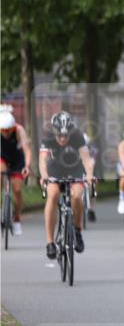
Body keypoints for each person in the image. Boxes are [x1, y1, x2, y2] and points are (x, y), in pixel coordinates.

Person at [38, 111, 95, 258]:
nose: (62, 138)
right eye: (59, 135)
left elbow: (86, 159)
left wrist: (89, 175)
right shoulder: (48, 136)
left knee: (77, 195)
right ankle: (50, 242)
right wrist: (44, 176)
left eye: (65, 135)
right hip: (54, 168)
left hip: (74, 167)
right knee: (53, 194)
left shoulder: (77, 136)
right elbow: (43, 160)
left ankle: (77, 229)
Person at [0, 109, 32, 236]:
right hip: (2, 157)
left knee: (17, 189)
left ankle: (17, 218)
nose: (6, 133)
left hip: (17, 160)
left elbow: (27, 150)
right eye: (3, 130)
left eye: (9, 130)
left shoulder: (19, 130)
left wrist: (27, 166)